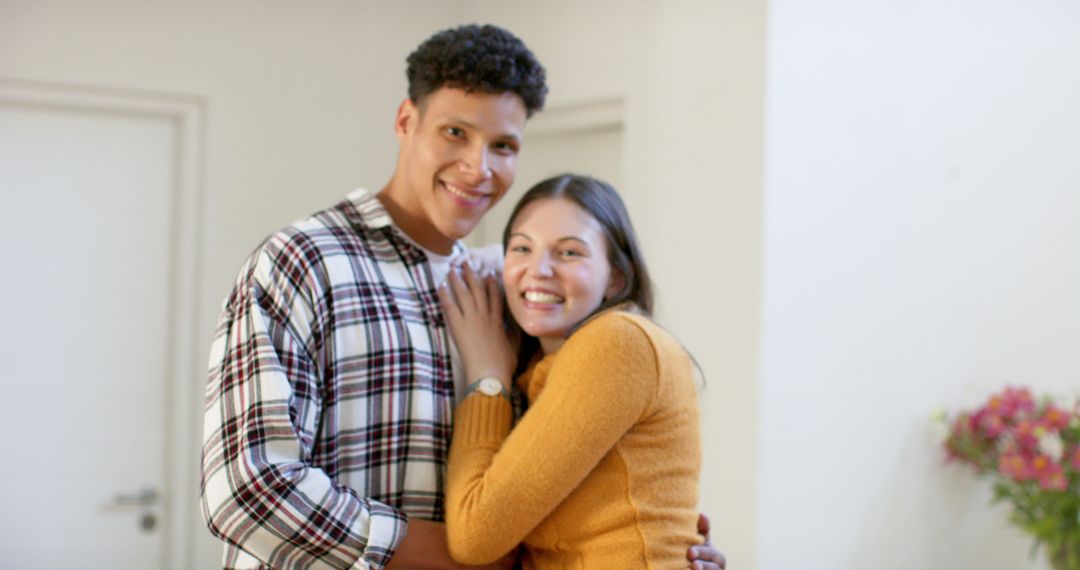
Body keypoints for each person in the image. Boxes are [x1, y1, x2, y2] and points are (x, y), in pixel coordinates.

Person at [201, 24, 727, 570]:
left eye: (503, 146)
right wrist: (457, 557)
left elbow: (567, 466)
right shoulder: (305, 263)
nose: (480, 168)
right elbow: (247, 492)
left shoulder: (506, 287)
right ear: (407, 121)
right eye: (456, 132)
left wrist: (658, 538)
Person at [438, 174, 701, 568]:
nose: (538, 269)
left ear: (615, 278)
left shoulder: (617, 341)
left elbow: (474, 536)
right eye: (522, 248)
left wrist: (487, 376)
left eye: (569, 253)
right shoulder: (547, 367)